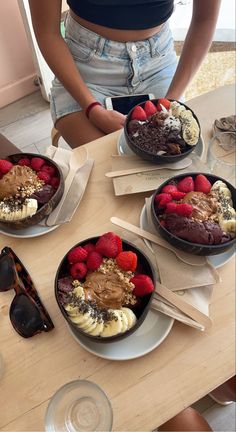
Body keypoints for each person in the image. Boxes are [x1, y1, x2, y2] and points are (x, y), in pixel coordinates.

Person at [28, 0, 221, 148]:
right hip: (83, 72)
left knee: (168, 163)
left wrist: (169, 102)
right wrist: (92, 109)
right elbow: (47, 33)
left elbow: (205, 20)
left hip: (157, 64)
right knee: (108, 168)